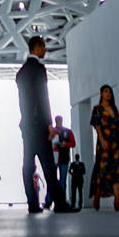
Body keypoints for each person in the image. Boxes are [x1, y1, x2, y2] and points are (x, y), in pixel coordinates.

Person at [15, 34, 73, 213]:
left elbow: (24, 101)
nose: (45, 50)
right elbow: (42, 97)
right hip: (40, 126)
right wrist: (49, 123)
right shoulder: (39, 69)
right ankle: (60, 204)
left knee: (28, 166)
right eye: (44, 46)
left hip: (26, 125)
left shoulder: (21, 72)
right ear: (37, 47)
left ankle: (32, 204)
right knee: (48, 166)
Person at [89, 84, 119, 209]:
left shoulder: (114, 109)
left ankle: (117, 201)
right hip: (104, 143)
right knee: (103, 170)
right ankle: (97, 196)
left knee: (118, 170)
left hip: (116, 143)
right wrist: (101, 140)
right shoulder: (97, 109)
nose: (108, 94)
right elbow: (97, 125)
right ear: (101, 94)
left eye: (109, 92)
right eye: (106, 92)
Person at [50, 114, 76, 196]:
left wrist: (65, 144)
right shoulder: (52, 131)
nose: (59, 122)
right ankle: (49, 200)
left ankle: (61, 200)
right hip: (54, 158)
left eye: (60, 121)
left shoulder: (67, 131)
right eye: (57, 121)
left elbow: (73, 143)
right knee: (51, 180)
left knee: (63, 180)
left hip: (64, 158)